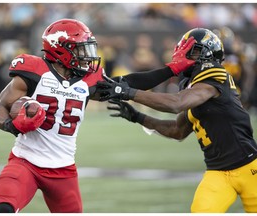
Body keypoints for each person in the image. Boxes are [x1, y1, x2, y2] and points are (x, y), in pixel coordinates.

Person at [0, 18, 196, 213]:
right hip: (25, 161)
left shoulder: (88, 80)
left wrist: (172, 69)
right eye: (80, 49)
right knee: (5, 209)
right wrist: (10, 125)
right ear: (61, 49)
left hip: (63, 169)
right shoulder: (34, 71)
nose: (86, 55)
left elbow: (129, 82)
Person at [96, 28, 257, 213]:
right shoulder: (196, 91)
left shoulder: (216, 76)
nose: (185, 56)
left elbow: (176, 103)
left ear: (208, 54)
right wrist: (137, 117)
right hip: (217, 172)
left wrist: (127, 92)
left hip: (250, 169)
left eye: (193, 51)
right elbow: (177, 130)